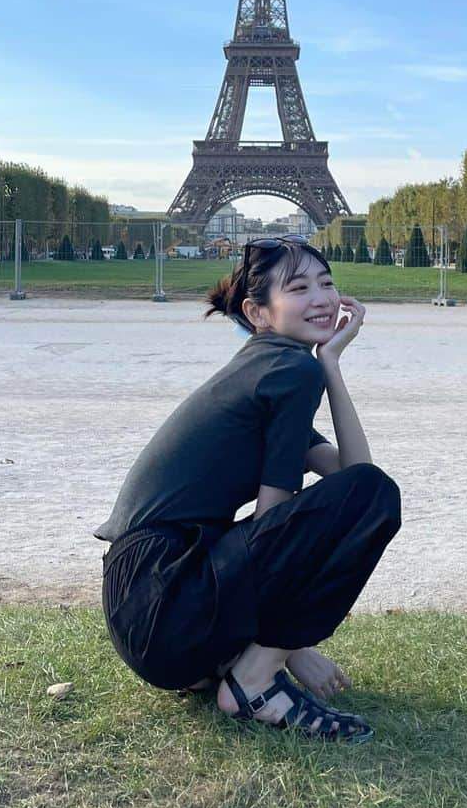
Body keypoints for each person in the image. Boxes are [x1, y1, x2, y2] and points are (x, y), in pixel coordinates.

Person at [94, 236, 401, 745]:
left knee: (368, 491)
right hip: (163, 599)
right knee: (374, 495)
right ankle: (254, 681)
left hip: (146, 611)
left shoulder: (273, 366)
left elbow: (353, 473)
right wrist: (289, 646)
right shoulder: (287, 369)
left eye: (327, 282)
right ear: (258, 312)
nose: (321, 298)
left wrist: (331, 366)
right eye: (299, 287)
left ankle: (241, 665)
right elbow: (280, 516)